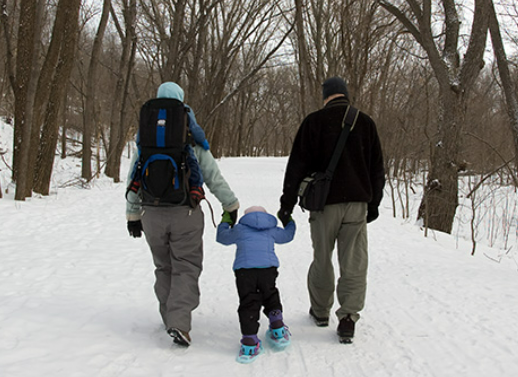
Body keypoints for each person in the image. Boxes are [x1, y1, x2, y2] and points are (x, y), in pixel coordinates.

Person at [126, 82, 239, 347]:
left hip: (151, 212)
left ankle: (169, 317)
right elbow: (212, 176)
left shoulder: (146, 139)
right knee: (186, 266)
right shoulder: (191, 137)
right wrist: (230, 205)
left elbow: (133, 179)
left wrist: (132, 216)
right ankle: (179, 322)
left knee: (164, 266)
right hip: (185, 212)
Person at [278, 77, 385, 343]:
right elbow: (377, 170)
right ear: (346, 95)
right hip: (357, 204)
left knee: (322, 258)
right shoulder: (366, 123)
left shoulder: (313, 123)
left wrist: (287, 204)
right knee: (354, 263)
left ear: (326, 96)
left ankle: (320, 311)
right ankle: (348, 317)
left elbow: (296, 167)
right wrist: (373, 205)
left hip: (324, 205)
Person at [216, 206, 295, 363]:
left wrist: (226, 220)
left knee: (249, 302)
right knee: (270, 294)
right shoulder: (271, 229)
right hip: (268, 270)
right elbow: (287, 235)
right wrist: (288, 220)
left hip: (245, 271)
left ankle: (250, 342)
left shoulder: (240, 229)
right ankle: (277, 327)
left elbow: (222, 238)